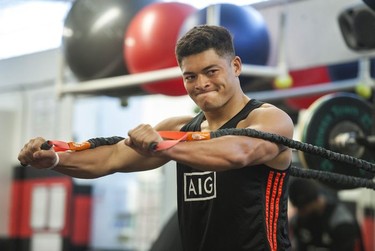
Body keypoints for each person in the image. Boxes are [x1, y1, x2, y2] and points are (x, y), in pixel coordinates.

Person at [18, 25, 294, 251]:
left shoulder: (269, 119)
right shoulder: (180, 129)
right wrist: (54, 159)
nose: (201, 84)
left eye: (211, 71)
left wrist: (162, 146)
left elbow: (238, 152)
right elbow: (111, 158)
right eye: (190, 76)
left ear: (235, 66)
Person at [288, 178, 365, 251]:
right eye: (297, 208)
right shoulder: (298, 221)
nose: (299, 212)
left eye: (303, 208)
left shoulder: (341, 222)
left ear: (316, 200)